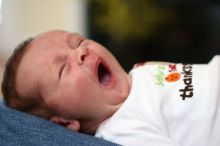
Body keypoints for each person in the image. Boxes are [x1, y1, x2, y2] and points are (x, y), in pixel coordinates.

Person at [1, 30, 220, 146]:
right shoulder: (123, 129)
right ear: (65, 122)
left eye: (78, 41)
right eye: (62, 69)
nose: (81, 52)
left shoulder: (139, 71)